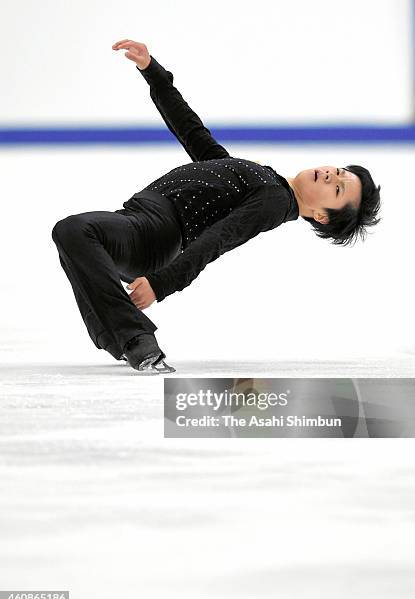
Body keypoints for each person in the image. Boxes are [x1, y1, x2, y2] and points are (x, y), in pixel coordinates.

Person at [51, 39, 382, 374]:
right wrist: (153, 73)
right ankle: (124, 340)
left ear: (323, 215)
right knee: (75, 242)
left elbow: (218, 239)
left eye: (337, 187)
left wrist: (162, 283)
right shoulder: (262, 180)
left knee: (75, 231)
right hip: (139, 222)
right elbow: (191, 131)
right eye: (337, 171)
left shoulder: (273, 201)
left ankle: (135, 339)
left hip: (155, 234)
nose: (328, 174)